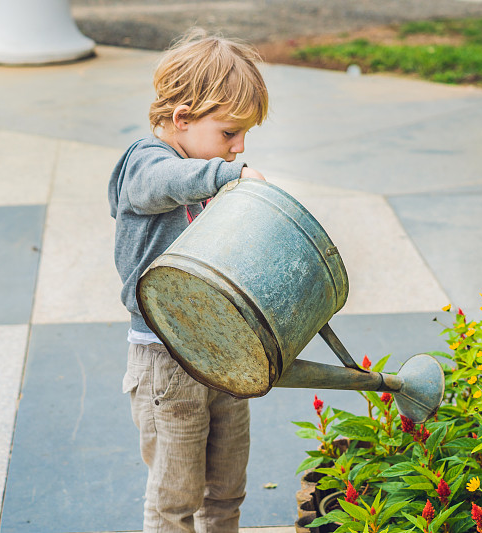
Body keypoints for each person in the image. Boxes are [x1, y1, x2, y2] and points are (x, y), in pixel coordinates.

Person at [107, 29, 270, 533]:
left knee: (226, 488)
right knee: (175, 497)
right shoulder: (147, 163)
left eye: (245, 135)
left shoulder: (205, 169)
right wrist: (227, 176)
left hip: (221, 352)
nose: (238, 147)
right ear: (182, 119)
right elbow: (163, 185)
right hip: (166, 360)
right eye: (229, 133)